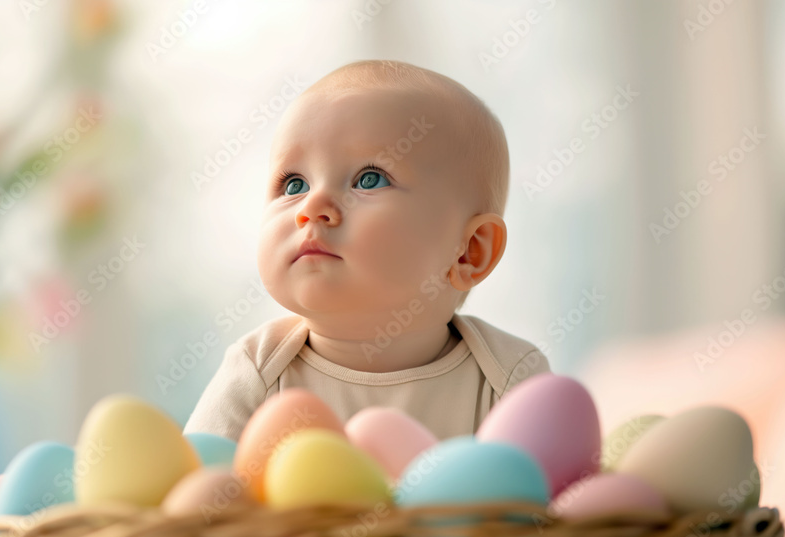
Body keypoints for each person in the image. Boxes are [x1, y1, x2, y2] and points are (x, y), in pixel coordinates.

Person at [184, 60, 549, 441]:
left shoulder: (509, 379)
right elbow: (195, 491)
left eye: (368, 179)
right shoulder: (258, 370)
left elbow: (552, 495)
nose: (311, 207)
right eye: (294, 185)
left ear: (469, 251)